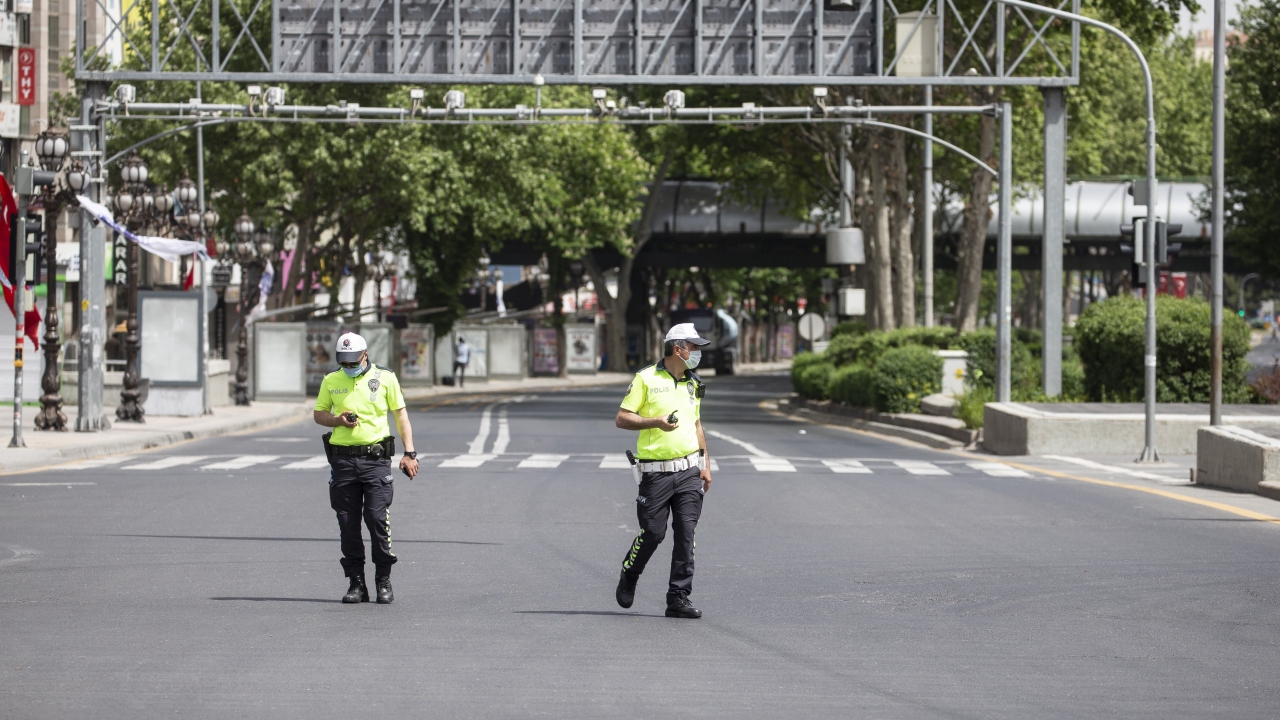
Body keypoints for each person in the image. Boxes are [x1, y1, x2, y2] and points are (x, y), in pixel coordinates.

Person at [613, 323, 713, 619]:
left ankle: (678, 597)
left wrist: (705, 465)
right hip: (655, 473)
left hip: (688, 471)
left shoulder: (693, 383)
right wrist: (655, 421)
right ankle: (630, 572)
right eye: (693, 347)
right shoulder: (645, 378)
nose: (697, 352)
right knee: (653, 533)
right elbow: (622, 418)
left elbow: (696, 425)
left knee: (686, 534)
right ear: (677, 348)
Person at [314, 332, 420, 604]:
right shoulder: (331, 379)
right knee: (347, 523)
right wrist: (337, 420)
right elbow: (319, 414)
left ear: (365, 354)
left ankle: (383, 580)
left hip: (375, 461)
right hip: (343, 462)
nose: (349, 367)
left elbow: (400, 415)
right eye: (344, 363)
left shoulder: (385, 377)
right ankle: (356, 583)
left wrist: (409, 453)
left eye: (353, 361)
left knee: (376, 519)